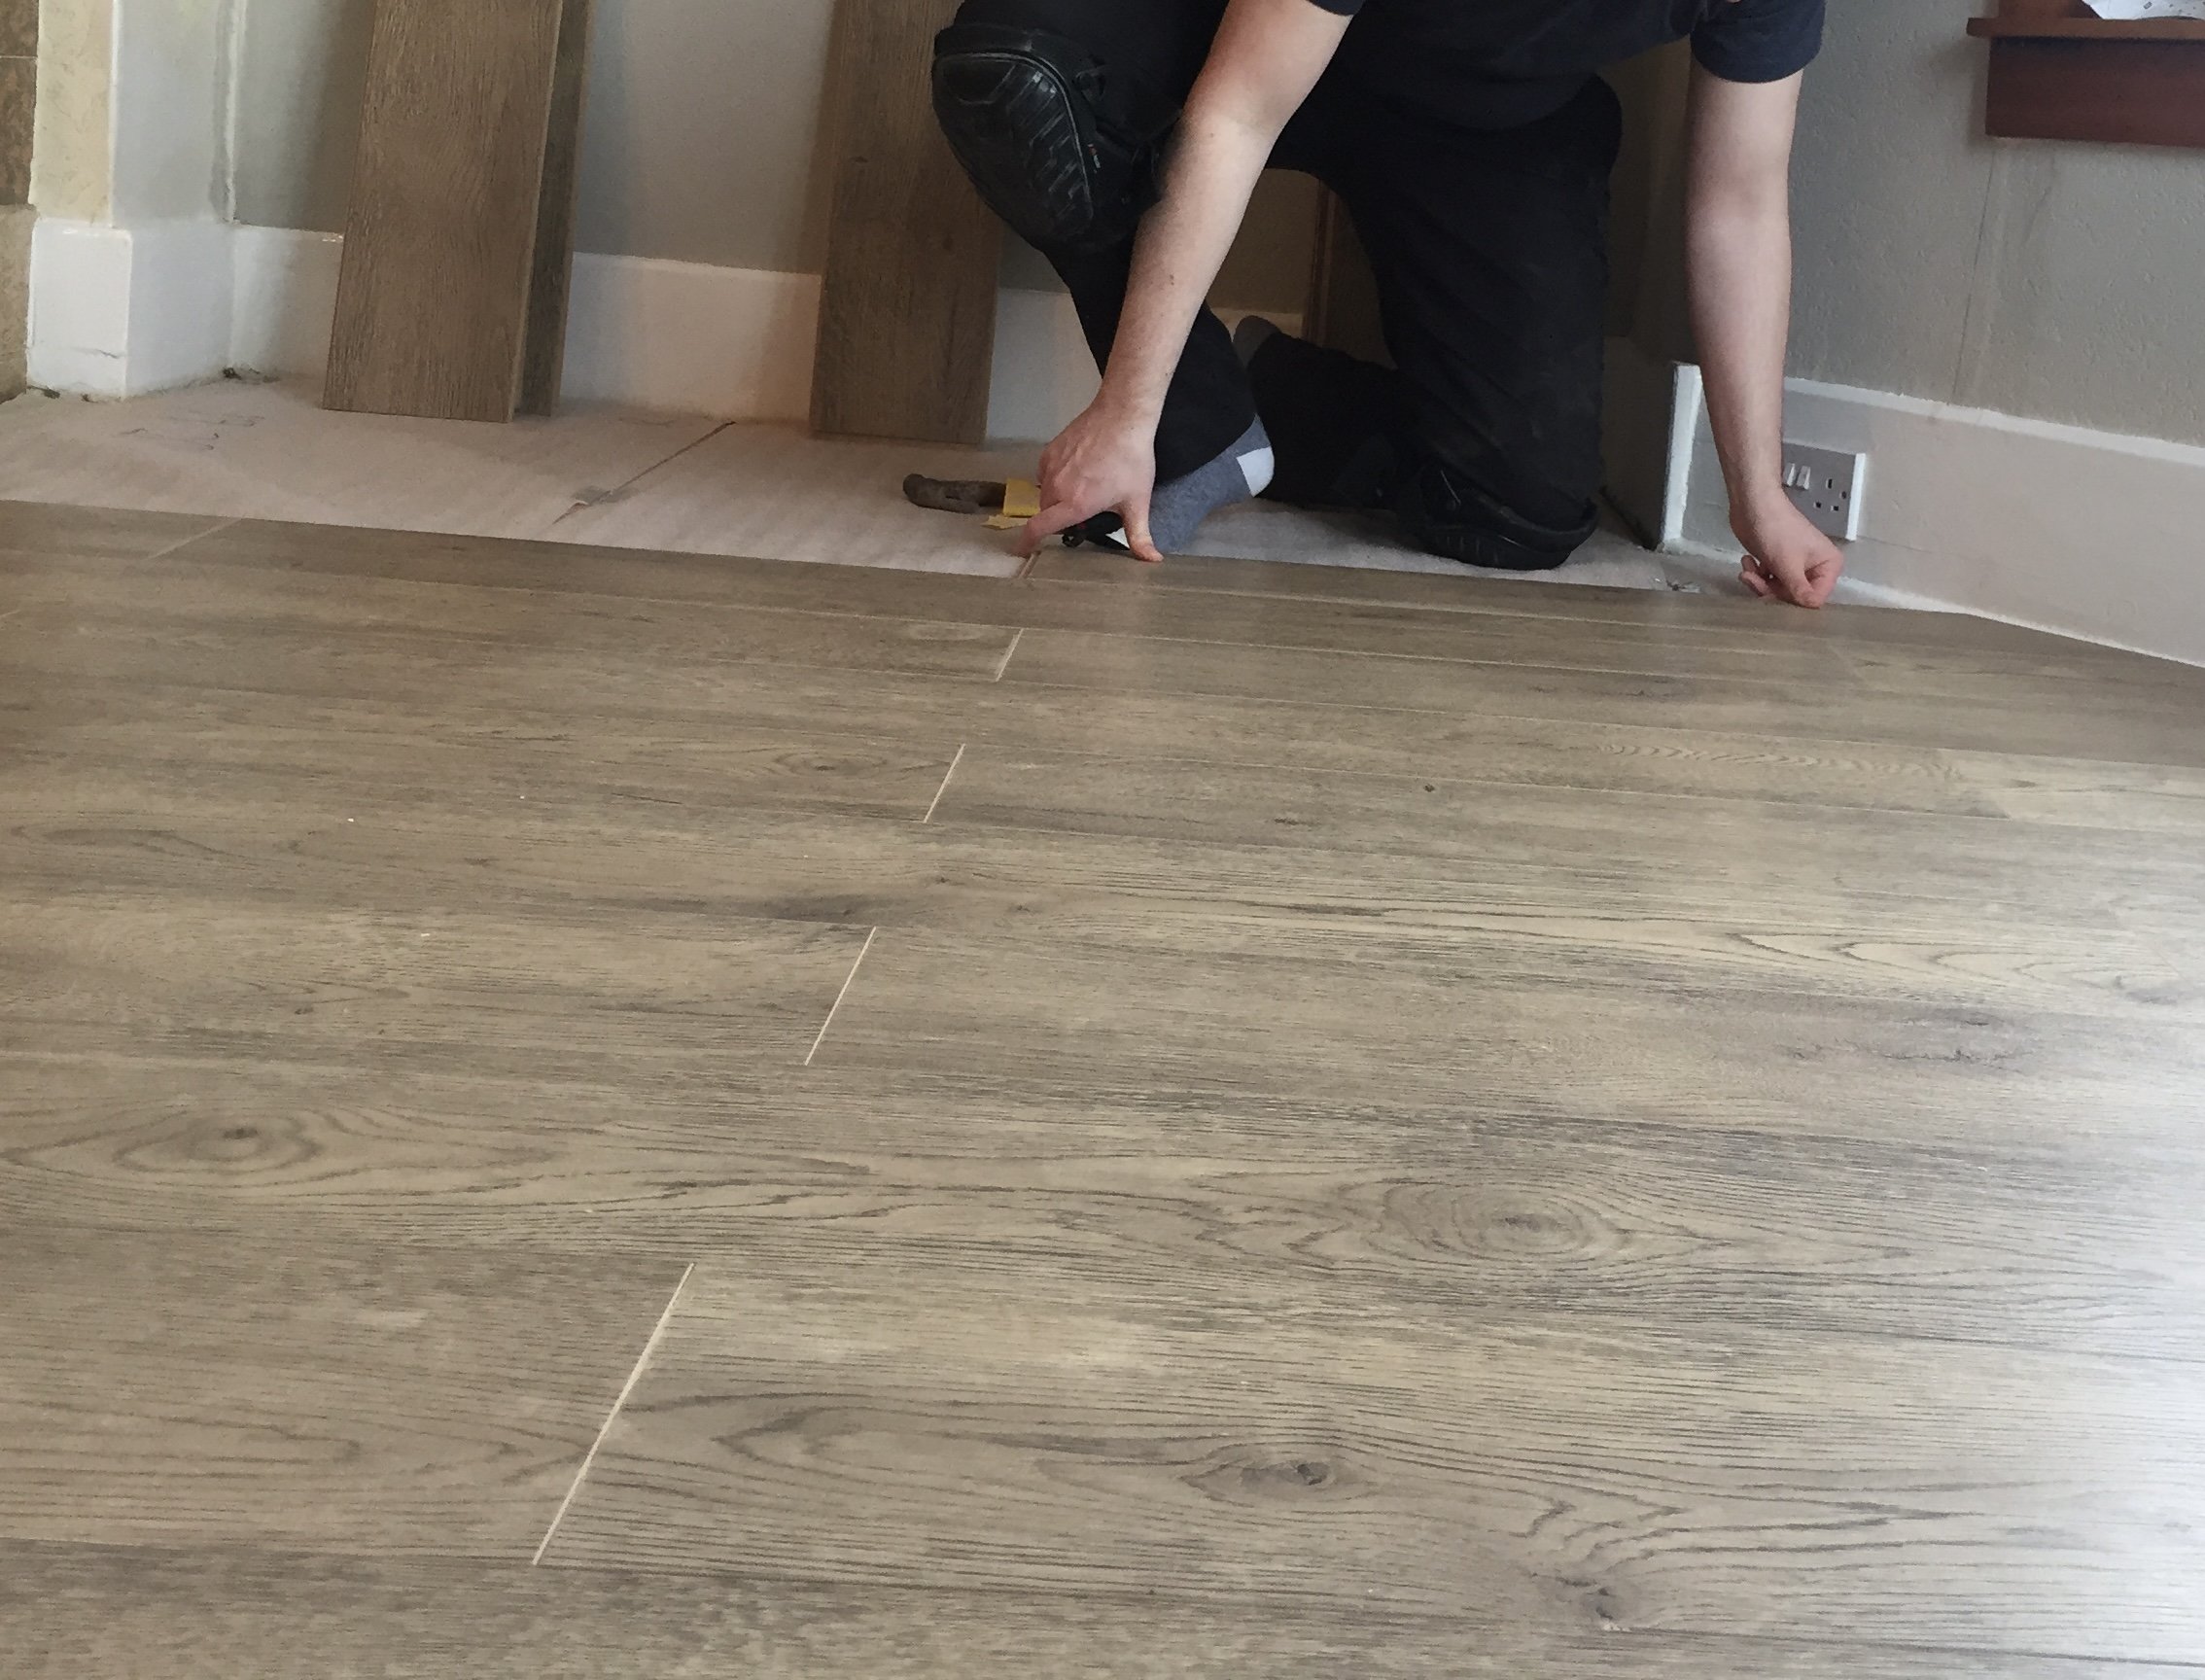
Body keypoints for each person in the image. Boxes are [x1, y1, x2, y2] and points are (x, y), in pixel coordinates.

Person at [931, 0, 1843, 607]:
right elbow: (1239, 112)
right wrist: (1132, 410)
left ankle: (1270, 393)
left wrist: (1757, 496)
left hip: (1487, 120)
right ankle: (1193, 421)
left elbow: (1741, 203)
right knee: (1019, 82)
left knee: (1518, 513)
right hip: (1236, 29)